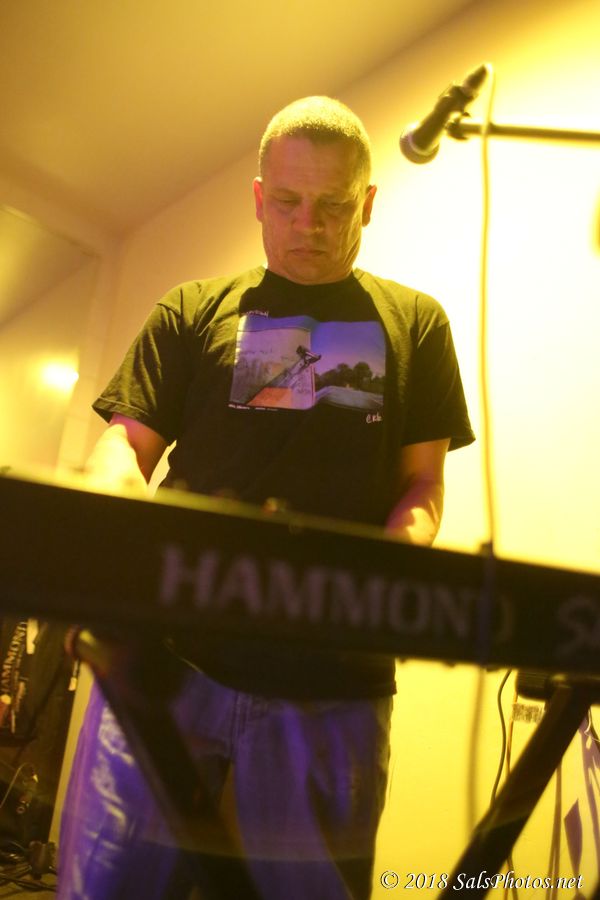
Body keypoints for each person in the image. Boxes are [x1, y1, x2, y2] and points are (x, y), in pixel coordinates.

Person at [57, 96, 475, 900]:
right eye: (287, 201)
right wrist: (114, 528)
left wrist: (384, 574)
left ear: (368, 203)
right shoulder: (191, 309)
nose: (308, 224)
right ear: (257, 198)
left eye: (333, 205)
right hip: (170, 660)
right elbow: (124, 446)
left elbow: (422, 485)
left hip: (333, 681)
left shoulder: (417, 323)